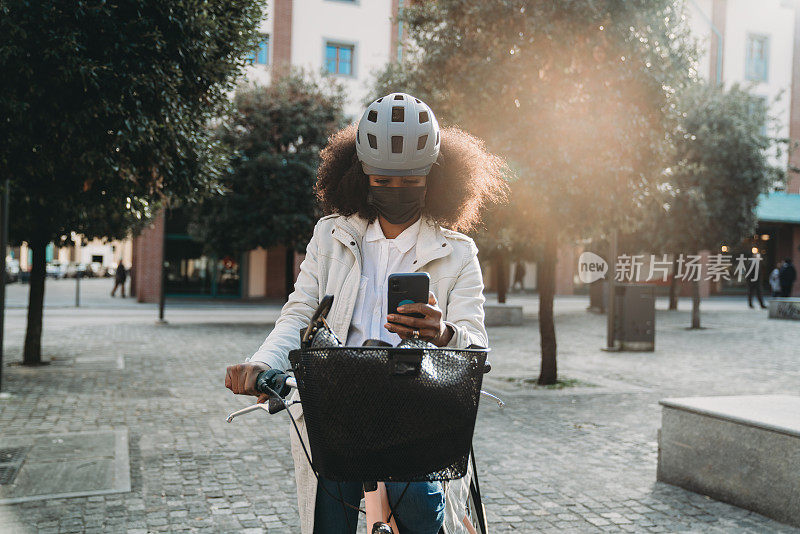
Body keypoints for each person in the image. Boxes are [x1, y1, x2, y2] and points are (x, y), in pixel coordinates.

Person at [225, 93, 507, 534]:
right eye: (383, 180)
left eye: (411, 180)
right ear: (359, 175)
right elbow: (300, 314)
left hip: (417, 411)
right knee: (327, 519)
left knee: (420, 511)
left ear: (436, 177)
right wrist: (262, 363)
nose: (396, 191)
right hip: (336, 410)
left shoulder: (459, 253)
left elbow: (476, 346)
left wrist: (444, 331)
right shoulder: (330, 235)